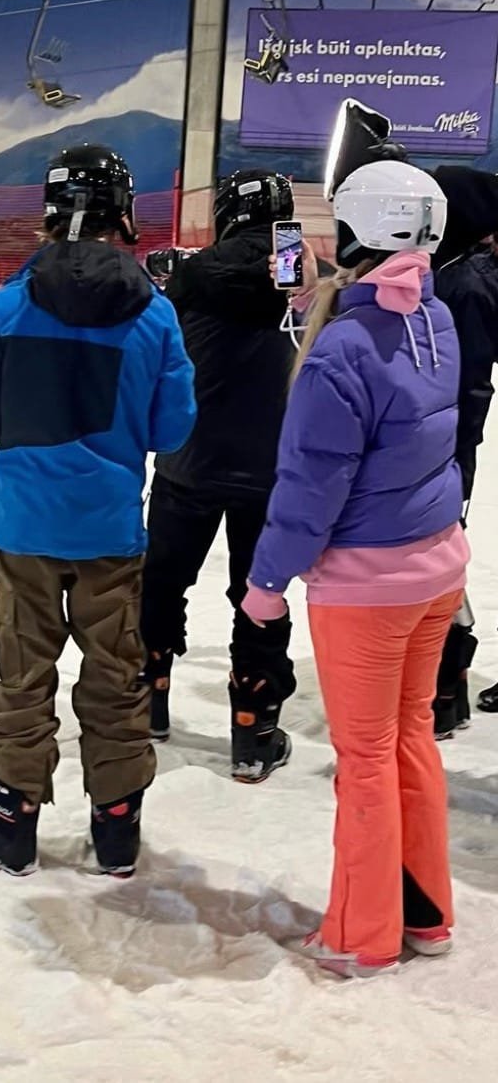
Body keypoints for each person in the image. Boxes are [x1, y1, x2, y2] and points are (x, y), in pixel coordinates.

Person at [242, 159, 468, 978]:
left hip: (368, 589)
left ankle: (363, 933)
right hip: (437, 571)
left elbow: (310, 483)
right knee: (411, 739)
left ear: (354, 232)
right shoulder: (433, 318)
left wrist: (267, 583)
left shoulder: (344, 347)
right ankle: (424, 914)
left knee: (367, 756)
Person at [0, 143, 196, 878]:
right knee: (116, 675)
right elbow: (172, 430)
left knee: (24, 674)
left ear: (52, 212)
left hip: (27, 525)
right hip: (110, 530)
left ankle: (13, 829)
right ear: (124, 214)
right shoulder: (155, 315)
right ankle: (116, 834)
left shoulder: (9, 303)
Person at [140, 170, 301, 782]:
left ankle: (148, 698)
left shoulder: (192, 274)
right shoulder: (297, 271)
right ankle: (252, 732)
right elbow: (293, 292)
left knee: (160, 584)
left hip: (189, 459)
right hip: (272, 469)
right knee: (260, 597)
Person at [427, 169, 498, 728]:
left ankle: (447, 687)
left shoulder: (466, 284)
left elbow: (471, 382)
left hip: (447, 448)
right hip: (429, 443)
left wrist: (455, 453)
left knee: (441, 557)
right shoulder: (444, 271)